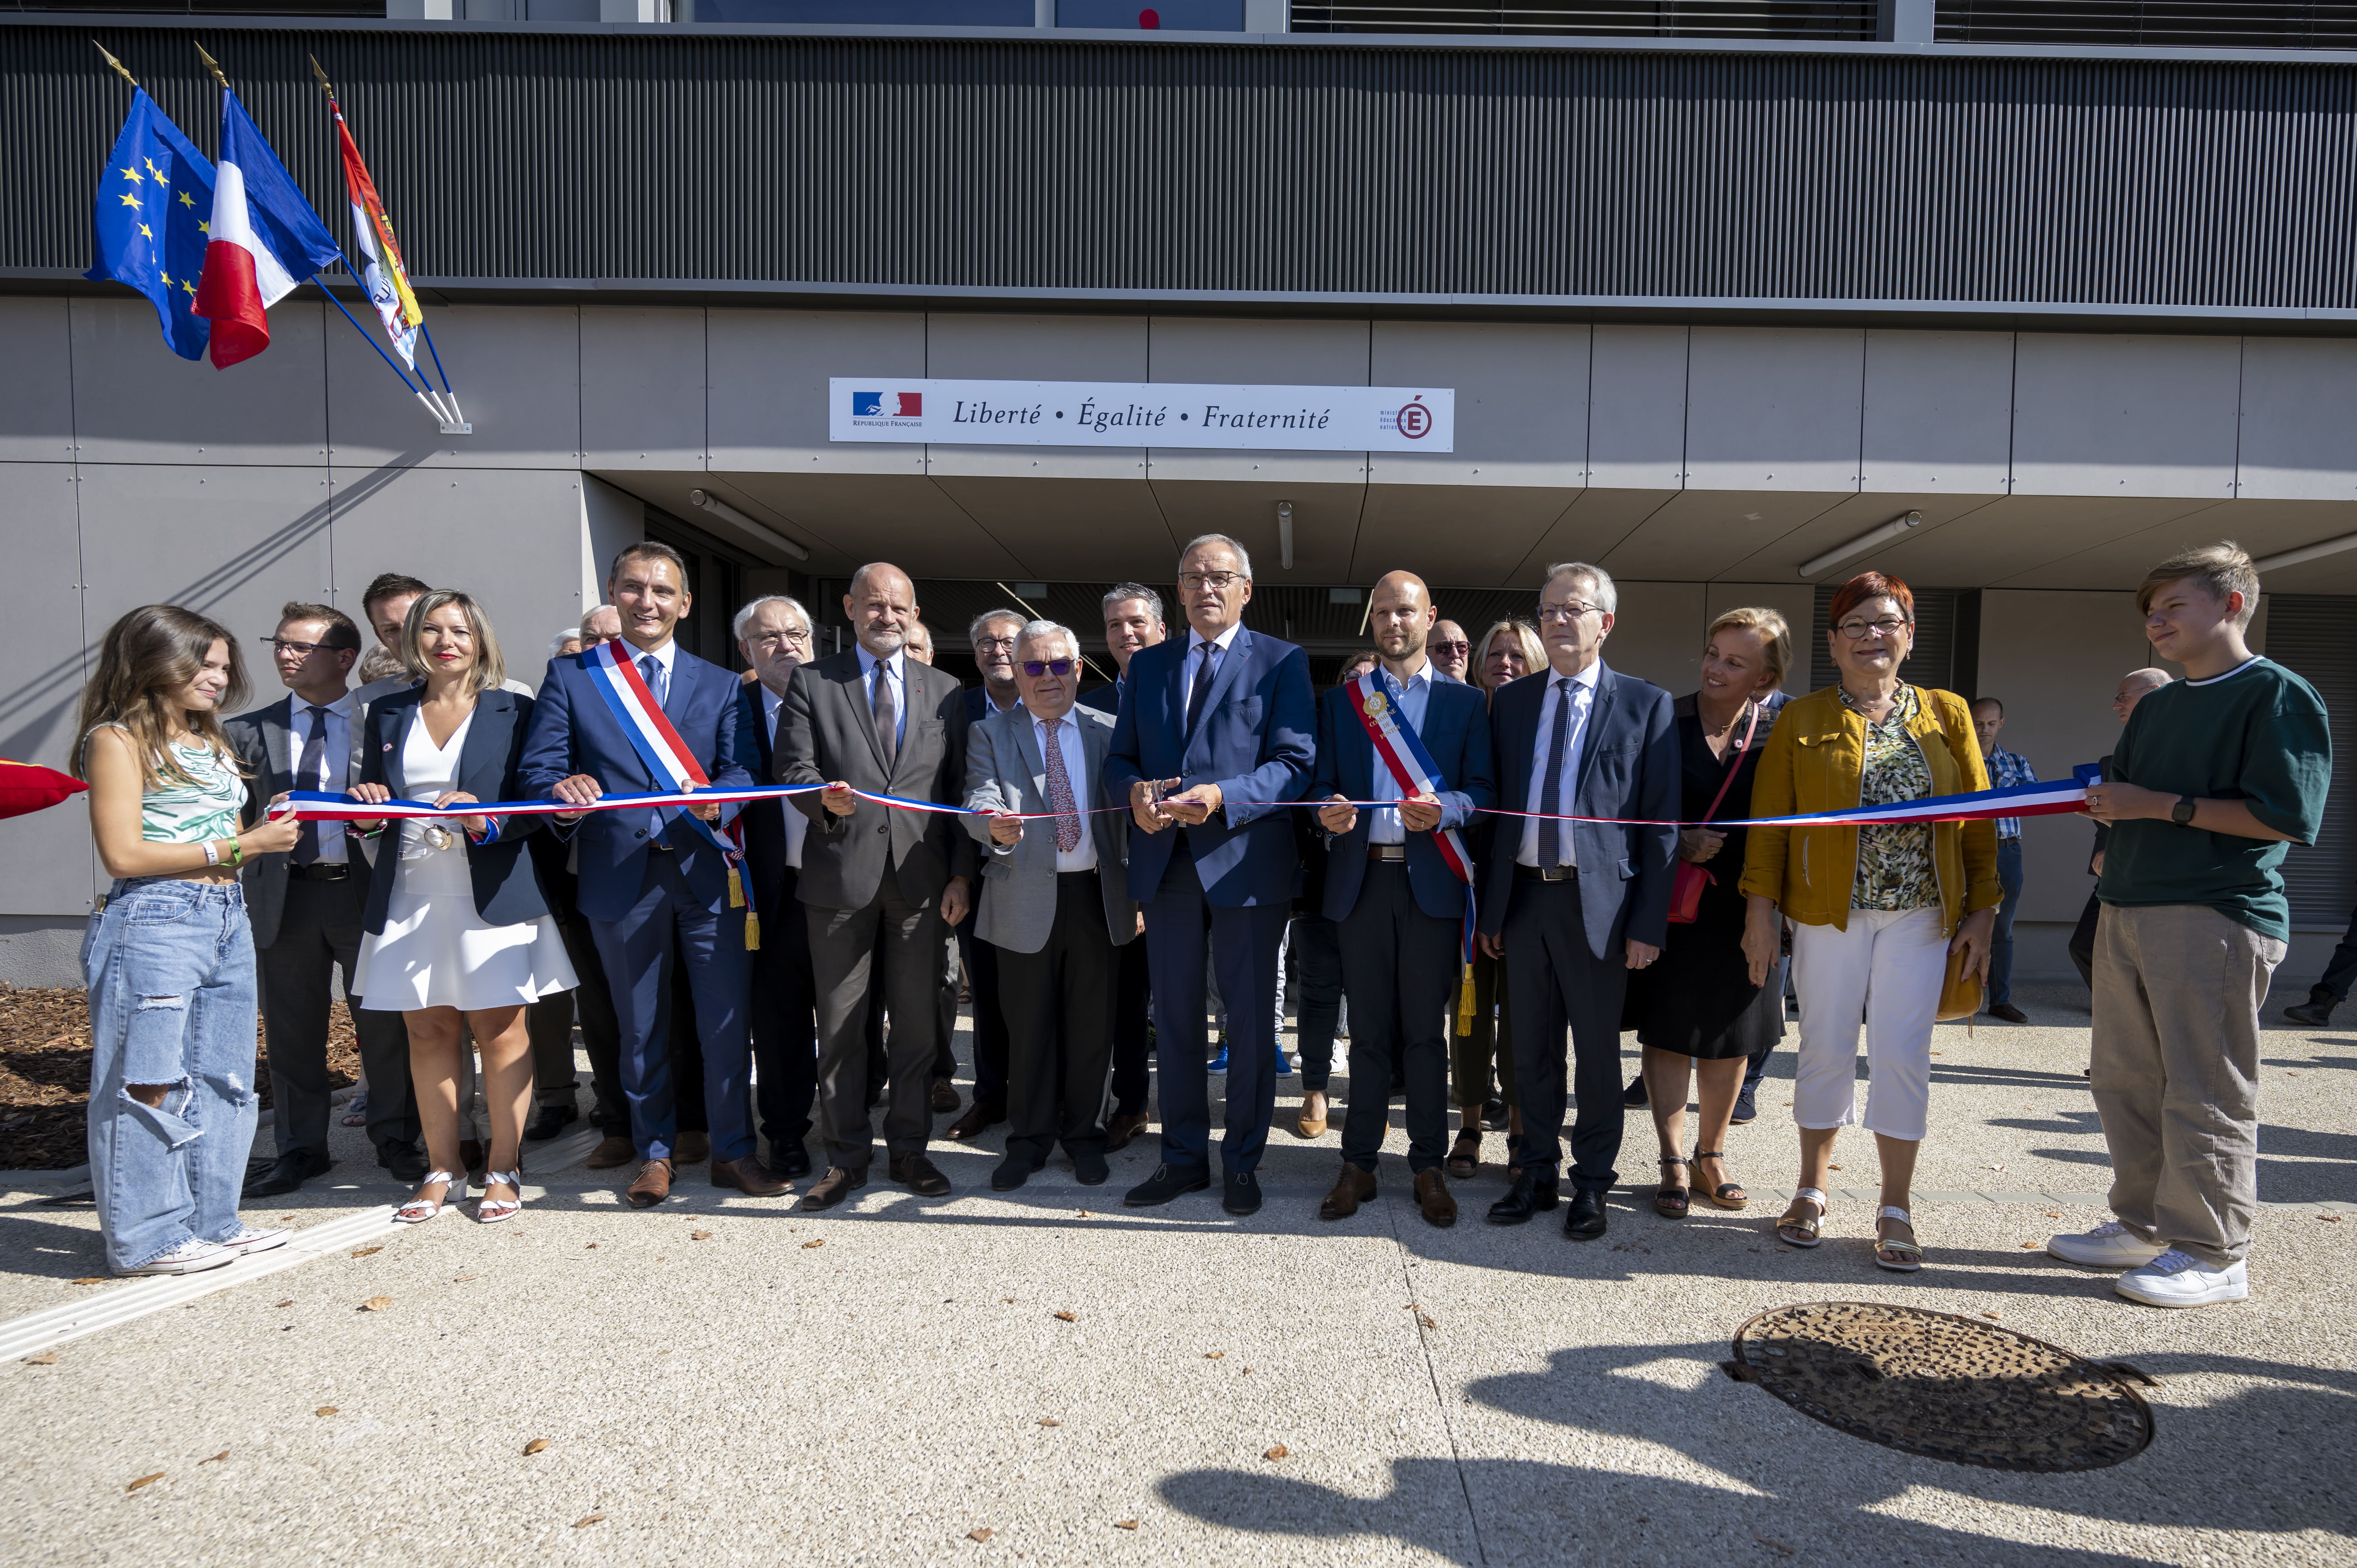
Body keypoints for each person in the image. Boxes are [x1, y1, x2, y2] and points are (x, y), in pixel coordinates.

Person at [2058, 542, 2329, 1309]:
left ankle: (2214, 1249)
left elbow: (2287, 815)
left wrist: (2158, 806)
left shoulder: (2277, 693)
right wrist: (2115, 815)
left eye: (2174, 604)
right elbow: (2124, 793)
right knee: (2124, 1080)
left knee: (2204, 1087)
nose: (2157, 619)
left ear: (2233, 604)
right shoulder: (2163, 703)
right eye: (2152, 608)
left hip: (2215, 912)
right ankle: (2145, 1223)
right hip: (2129, 909)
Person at [1740, 570, 1999, 1271]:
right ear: (1832, 642)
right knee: (1824, 1045)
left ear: (1910, 638)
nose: (1872, 636)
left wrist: (1984, 912)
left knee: (1901, 1054)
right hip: (1828, 917)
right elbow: (1767, 827)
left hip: (1921, 916)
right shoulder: (1802, 719)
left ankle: (1896, 1206)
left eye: (1886, 623)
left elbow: (1977, 823)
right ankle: (1811, 1189)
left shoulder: (1947, 714)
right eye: (1856, 625)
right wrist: (1759, 912)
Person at [521, 541, 783, 1207]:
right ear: (614, 592)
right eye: (634, 588)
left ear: (685, 603)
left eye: (663, 591)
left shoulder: (721, 682)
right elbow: (537, 772)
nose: (647, 601)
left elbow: (745, 771)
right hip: (621, 878)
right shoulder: (576, 678)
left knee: (724, 1024)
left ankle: (733, 1151)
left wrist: (719, 798)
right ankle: (655, 1152)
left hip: (707, 873)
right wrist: (563, 785)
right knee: (639, 1027)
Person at [75, 606, 299, 1275]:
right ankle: (146, 1239)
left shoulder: (213, 739)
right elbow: (124, 854)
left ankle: (211, 1220)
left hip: (226, 912)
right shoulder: (115, 739)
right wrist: (245, 842)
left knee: (224, 1079)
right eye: (205, 664)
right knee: (149, 1081)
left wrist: (257, 836)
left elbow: (218, 838)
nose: (220, 678)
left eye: (226, 667)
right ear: (155, 660)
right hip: (155, 920)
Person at [347, 591, 577, 1224]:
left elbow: (537, 798)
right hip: (409, 893)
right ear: (412, 638)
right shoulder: (387, 711)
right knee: (428, 1031)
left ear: (480, 640)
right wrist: (364, 811)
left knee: (500, 1032)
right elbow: (368, 812)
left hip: (491, 893)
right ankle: (442, 1167)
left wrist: (488, 820)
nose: (445, 641)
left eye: (460, 630)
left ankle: (504, 1166)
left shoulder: (516, 708)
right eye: (432, 630)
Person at [1106, 533, 1315, 1217]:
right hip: (1166, 867)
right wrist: (1135, 791)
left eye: (1220, 576)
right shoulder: (1149, 666)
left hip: (1245, 860)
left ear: (1246, 589)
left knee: (1250, 1022)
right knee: (1175, 1018)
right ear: (1179, 591)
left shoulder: (1282, 662)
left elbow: (1293, 763)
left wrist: (1225, 796)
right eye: (1193, 577)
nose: (1206, 588)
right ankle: (1184, 1157)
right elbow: (1120, 759)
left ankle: (1243, 1160)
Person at [1477, 564, 1677, 1241]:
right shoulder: (1512, 702)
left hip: (1602, 910)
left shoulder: (1645, 705)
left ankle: (1591, 1181)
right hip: (1526, 900)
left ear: (1606, 622)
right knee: (1529, 1050)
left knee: (1596, 1055)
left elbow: (1661, 825)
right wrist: (1493, 910)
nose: (1558, 621)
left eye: (1574, 609)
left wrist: (1648, 922)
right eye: (1548, 610)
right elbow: (1497, 812)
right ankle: (1535, 1170)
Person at [777, 562, 976, 1209]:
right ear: (849, 607)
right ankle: (844, 1158)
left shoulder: (946, 688)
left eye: (898, 607)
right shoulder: (813, 681)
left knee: (917, 1028)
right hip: (839, 880)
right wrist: (821, 799)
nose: (886, 616)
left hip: (922, 886)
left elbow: (956, 791)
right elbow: (793, 767)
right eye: (873, 605)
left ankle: (911, 1150)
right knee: (839, 1028)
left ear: (914, 613)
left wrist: (959, 874)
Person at [1310, 572, 1494, 1228]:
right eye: (1383, 612)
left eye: (1406, 611)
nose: (1394, 622)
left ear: (1429, 617)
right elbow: (1321, 781)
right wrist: (1326, 810)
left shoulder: (1466, 703)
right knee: (1367, 1034)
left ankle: (1427, 1165)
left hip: (1431, 885)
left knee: (1423, 1034)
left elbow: (1482, 792)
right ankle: (1357, 1162)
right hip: (1363, 880)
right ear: (1371, 621)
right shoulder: (1343, 702)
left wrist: (1445, 808)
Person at [226, 603, 422, 1196]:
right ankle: (301, 1149)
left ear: (343, 657)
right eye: (280, 643)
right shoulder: (246, 731)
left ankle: (395, 1139)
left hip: (362, 891)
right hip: (285, 897)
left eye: (300, 646)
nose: (285, 654)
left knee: (383, 1024)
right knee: (291, 1033)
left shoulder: (385, 723)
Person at [1622, 608, 1791, 1219]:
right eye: (1712, 653)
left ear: (1765, 678)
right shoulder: (1663, 715)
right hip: (1673, 902)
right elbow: (1627, 804)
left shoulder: (1783, 725)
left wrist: (1766, 914)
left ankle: (1710, 1154)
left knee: (1731, 1034)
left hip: (1752, 903)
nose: (1714, 667)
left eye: (1734, 661)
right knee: (1668, 1029)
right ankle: (1670, 1158)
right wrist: (1677, 837)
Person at [962, 620, 1138, 1190]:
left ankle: (1083, 1134)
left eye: (1058, 664)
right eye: (1033, 666)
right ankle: (1030, 1139)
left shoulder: (1109, 730)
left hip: (1095, 896)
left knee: (1091, 1030)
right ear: (1015, 671)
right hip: (1021, 899)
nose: (1047, 677)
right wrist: (993, 824)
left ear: (1079, 669)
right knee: (1029, 1028)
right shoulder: (990, 733)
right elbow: (978, 795)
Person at [1450, 618, 1543, 1176]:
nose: (1504, 663)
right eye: (1496, 654)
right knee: (1468, 1014)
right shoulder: (1463, 716)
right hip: (1464, 886)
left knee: (1523, 1017)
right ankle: (1467, 1124)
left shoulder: (1540, 726)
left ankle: (1518, 1128)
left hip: (1527, 892)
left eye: (1517, 656)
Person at [733, 593, 822, 1179]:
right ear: (746, 649)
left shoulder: (844, 700)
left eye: (796, 633)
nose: (785, 644)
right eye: (769, 637)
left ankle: (854, 1123)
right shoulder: (727, 707)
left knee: (854, 1015)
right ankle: (786, 1132)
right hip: (767, 890)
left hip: (842, 881)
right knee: (780, 1018)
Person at [1084, 583, 1166, 1150]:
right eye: (1114, 625)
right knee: (1128, 999)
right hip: (1124, 878)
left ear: (1162, 628)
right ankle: (1131, 1102)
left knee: (1212, 996)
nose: (1126, 633)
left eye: (1136, 622)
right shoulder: (1090, 706)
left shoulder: (1185, 694)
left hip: (1200, 869)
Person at [945, 607, 1027, 1141]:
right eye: (986, 642)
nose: (997, 650)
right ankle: (990, 1096)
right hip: (977, 874)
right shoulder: (956, 709)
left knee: (1043, 995)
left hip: (1048, 875)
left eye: (1008, 642)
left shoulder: (1060, 701)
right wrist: (958, 876)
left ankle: (1045, 1097)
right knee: (989, 993)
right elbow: (947, 795)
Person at [2070, 668, 2172, 989]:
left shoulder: (2183, 748)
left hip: (2167, 877)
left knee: (2155, 959)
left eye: (2123, 697)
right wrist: (2106, 849)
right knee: (2085, 946)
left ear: (2155, 692)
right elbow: (2115, 810)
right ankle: (2120, 1012)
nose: (2116, 706)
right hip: (2117, 870)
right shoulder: (2116, 757)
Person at [1972, 697, 2037, 1025]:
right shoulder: (1958, 760)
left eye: (1991, 723)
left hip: (2008, 850)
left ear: (2001, 724)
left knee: (2003, 927)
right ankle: (1949, 997)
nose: (1984, 730)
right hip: (1967, 851)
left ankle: (2000, 1001)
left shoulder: (2017, 762)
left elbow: (2036, 801)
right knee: (1954, 921)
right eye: (1979, 723)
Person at [1429, 620, 1471, 685]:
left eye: (1462, 647)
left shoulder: (1481, 695)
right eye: (1444, 647)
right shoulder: (1411, 694)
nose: (1455, 654)